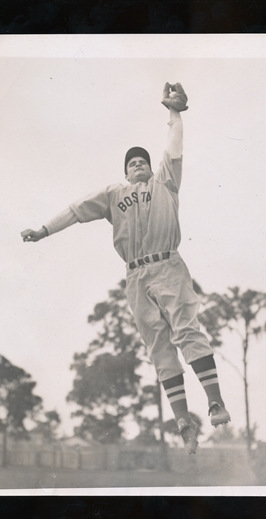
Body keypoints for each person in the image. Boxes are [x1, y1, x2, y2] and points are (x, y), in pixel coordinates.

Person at [21, 83, 230, 454]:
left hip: (167, 264)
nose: (138, 165)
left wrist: (175, 113)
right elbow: (74, 209)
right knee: (159, 346)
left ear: (150, 168)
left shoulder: (164, 182)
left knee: (186, 329)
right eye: (132, 163)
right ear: (124, 171)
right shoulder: (114, 194)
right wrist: (43, 231)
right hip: (135, 275)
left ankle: (215, 401)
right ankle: (183, 421)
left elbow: (174, 148)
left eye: (142, 162)